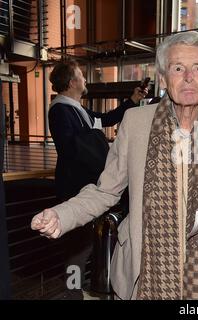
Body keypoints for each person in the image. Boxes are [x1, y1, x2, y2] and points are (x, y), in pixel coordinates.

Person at [31, 31, 198, 300]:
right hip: (143, 273)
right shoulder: (135, 124)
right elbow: (105, 192)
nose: (189, 77)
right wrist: (61, 215)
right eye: (178, 68)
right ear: (163, 78)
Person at [48, 60, 147, 299]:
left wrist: (132, 101)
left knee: (84, 246)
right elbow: (72, 148)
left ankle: (79, 290)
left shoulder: (76, 109)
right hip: (75, 189)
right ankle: (73, 293)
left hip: (85, 186)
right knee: (75, 248)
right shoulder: (61, 110)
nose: (84, 79)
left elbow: (107, 119)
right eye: (81, 75)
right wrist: (96, 139)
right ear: (72, 82)